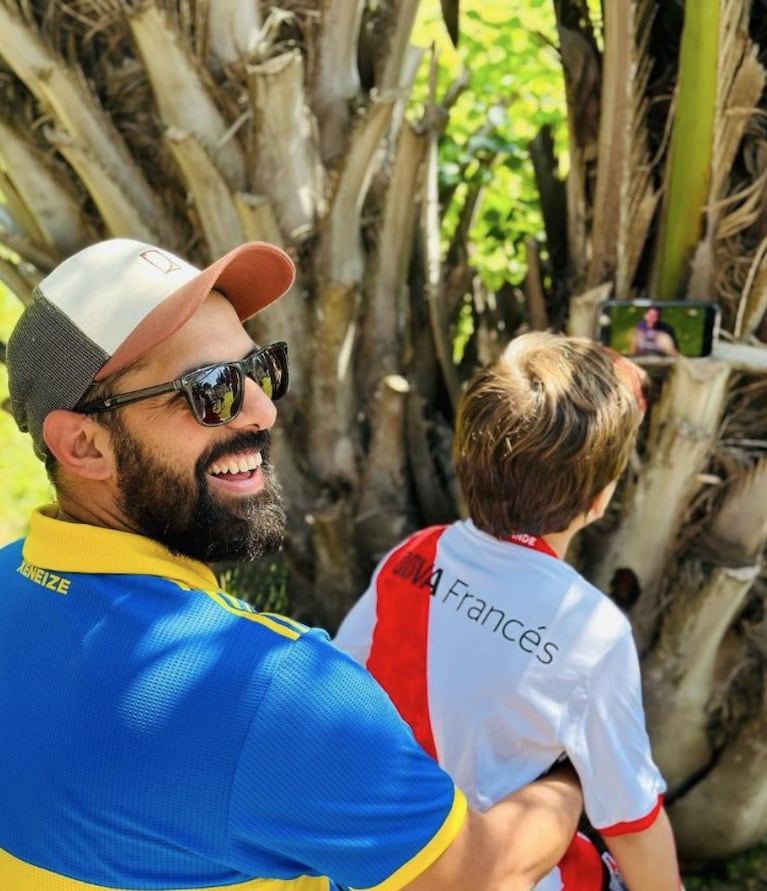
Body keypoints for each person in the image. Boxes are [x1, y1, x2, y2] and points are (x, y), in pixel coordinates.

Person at [0, 238, 584, 891]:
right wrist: (566, 776)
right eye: (210, 389)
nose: (263, 407)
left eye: (258, 367)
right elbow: (481, 874)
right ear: (84, 444)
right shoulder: (271, 693)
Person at [334, 332, 683, 891]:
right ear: (598, 501)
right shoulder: (591, 632)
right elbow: (632, 819)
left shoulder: (413, 555)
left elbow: (341, 685)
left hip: (380, 861)